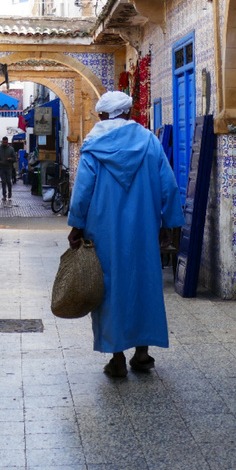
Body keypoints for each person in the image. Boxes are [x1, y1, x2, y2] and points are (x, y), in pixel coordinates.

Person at [67, 90, 183, 378]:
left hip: (103, 232)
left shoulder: (94, 145)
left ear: (104, 115)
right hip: (144, 230)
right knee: (144, 285)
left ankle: (117, 358)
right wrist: (168, 224)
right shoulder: (150, 142)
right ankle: (142, 354)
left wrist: (76, 225)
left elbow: (82, 192)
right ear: (129, 112)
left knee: (109, 289)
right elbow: (168, 186)